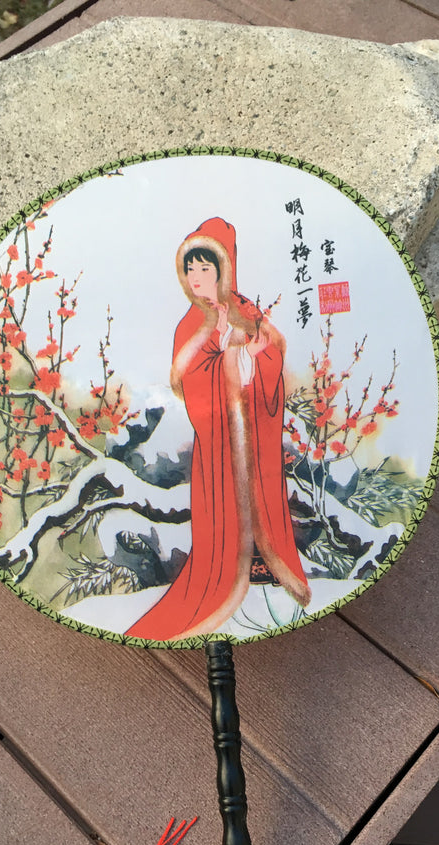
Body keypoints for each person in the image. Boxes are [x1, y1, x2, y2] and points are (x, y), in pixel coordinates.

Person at [126, 216, 310, 641]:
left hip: (255, 436)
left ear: (224, 270)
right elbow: (186, 381)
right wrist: (225, 356)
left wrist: (257, 357)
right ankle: (224, 581)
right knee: (223, 505)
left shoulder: (246, 310)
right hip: (221, 442)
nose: (196, 278)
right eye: (190, 268)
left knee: (261, 497)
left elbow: (272, 353)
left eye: (205, 268)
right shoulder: (191, 325)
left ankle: (265, 571)